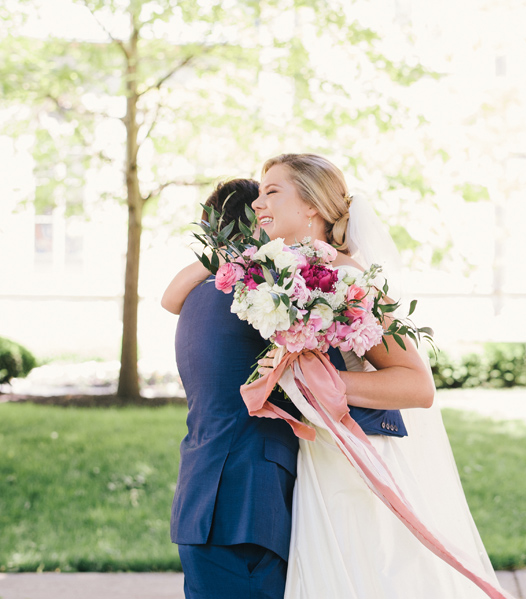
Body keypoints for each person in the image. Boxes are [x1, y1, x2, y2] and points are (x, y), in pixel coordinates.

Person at [253, 154, 504, 598]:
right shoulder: (285, 276)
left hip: (361, 461)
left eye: (272, 191)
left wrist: (322, 385)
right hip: (324, 455)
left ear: (311, 205)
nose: (257, 203)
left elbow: (417, 385)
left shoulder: (344, 278)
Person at [163, 177, 414, 599]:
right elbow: (323, 375)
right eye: (264, 207)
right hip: (247, 508)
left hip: (209, 498)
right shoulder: (263, 293)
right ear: (256, 229)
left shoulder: (202, 294)